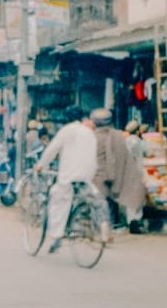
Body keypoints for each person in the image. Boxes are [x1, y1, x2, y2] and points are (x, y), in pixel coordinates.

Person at [35, 107, 109, 252]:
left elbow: (52, 149)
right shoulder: (89, 132)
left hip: (70, 174)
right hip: (88, 174)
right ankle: (101, 224)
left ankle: (57, 235)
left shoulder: (67, 130)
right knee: (89, 196)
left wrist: (40, 165)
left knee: (58, 199)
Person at [90, 108, 146, 234]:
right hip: (117, 174)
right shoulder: (119, 136)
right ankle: (111, 225)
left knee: (101, 202)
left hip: (98, 176)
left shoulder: (92, 136)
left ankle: (104, 225)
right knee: (112, 201)